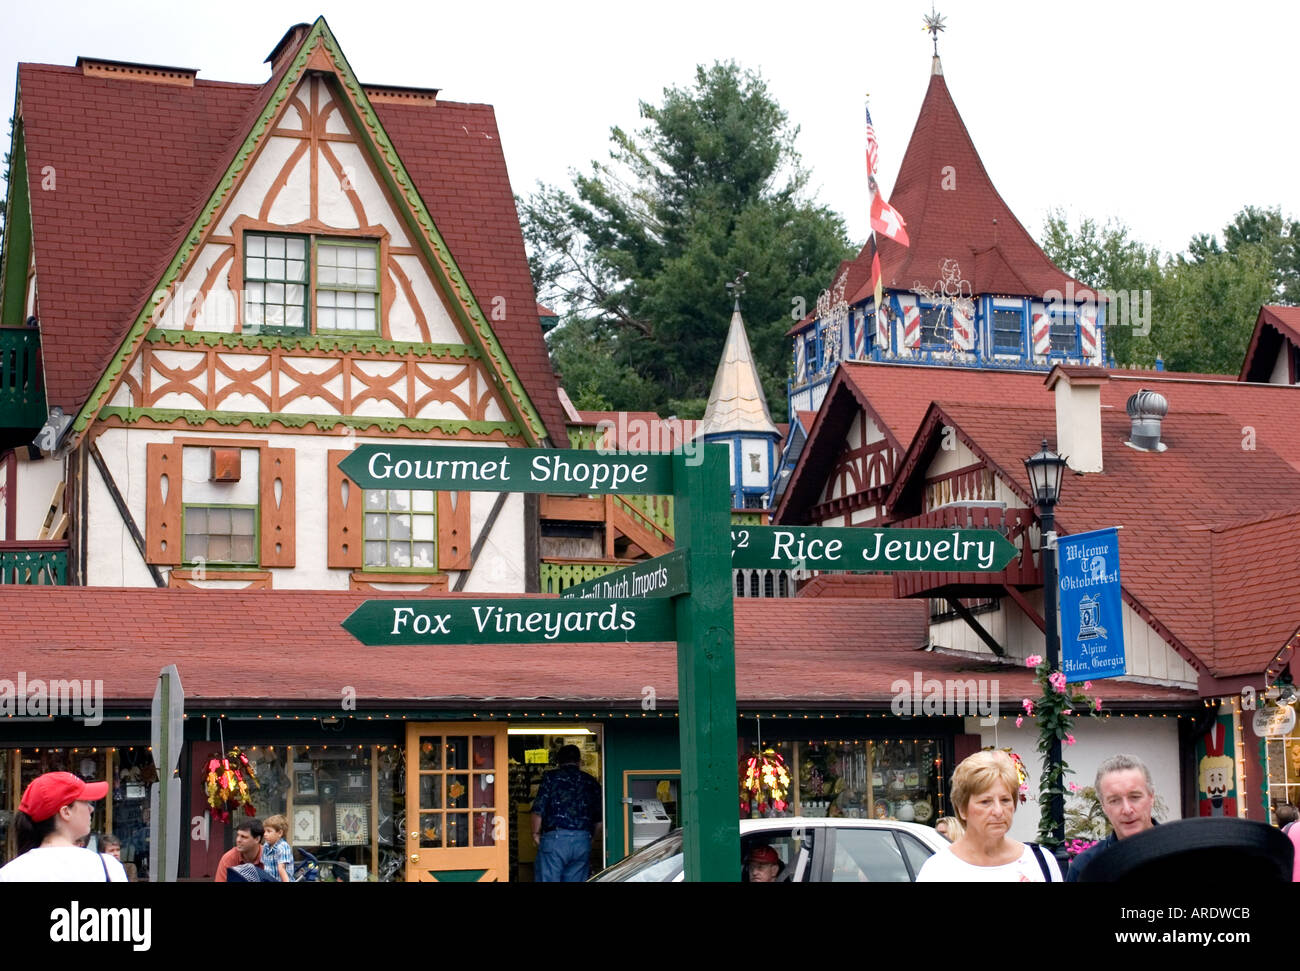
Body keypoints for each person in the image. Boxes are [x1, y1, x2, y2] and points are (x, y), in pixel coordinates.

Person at [916, 751, 1060, 882]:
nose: (998, 811)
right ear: (962, 809)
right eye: (985, 802)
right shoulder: (939, 870)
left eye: (1005, 800)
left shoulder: (1040, 862)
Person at [0, 772, 128, 882]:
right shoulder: (107, 867)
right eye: (85, 801)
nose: (91, 808)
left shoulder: (9, 874)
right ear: (66, 812)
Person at [1066, 754, 1158, 882]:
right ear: (1103, 806)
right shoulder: (1086, 867)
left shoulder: (1182, 852)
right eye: (1115, 800)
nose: (1127, 810)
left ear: (1151, 797)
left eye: (1135, 797)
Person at [530, 745, 602, 882]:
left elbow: (538, 810)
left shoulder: (551, 778)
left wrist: (535, 834)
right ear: (579, 761)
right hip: (582, 840)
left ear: (558, 761)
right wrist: (590, 839)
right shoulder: (590, 781)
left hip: (555, 839)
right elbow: (599, 820)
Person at [262, 814, 294, 882]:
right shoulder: (266, 846)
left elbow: (281, 868)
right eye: (264, 831)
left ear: (279, 833)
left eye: (269, 831)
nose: (265, 834)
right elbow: (264, 865)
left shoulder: (283, 847)